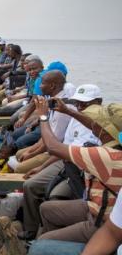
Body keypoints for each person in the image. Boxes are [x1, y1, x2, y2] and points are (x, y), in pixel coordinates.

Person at [18, 84, 104, 240]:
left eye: (85, 104)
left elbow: (56, 147)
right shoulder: (75, 116)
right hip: (67, 162)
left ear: (99, 102)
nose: (80, 107)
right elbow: (63, 146)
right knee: (30, 185)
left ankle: (49, 238)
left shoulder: (100, 125)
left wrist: (43, 116)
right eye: (78, 103)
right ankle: (32, 230)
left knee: (55, 196)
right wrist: (41, 167)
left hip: (80, 169)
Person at [33, 98, 122, 243]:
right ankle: (58, 245)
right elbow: (94, 127)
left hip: (102, 224)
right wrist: (68, 111)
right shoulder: (115, 146)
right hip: (94, 207)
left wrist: (43, 116)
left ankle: (47, 244)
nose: (92, 123)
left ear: (105, 131)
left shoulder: (106, 156)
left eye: (97, 122)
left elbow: (53, 147)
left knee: (44, 240)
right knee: (46, 209)